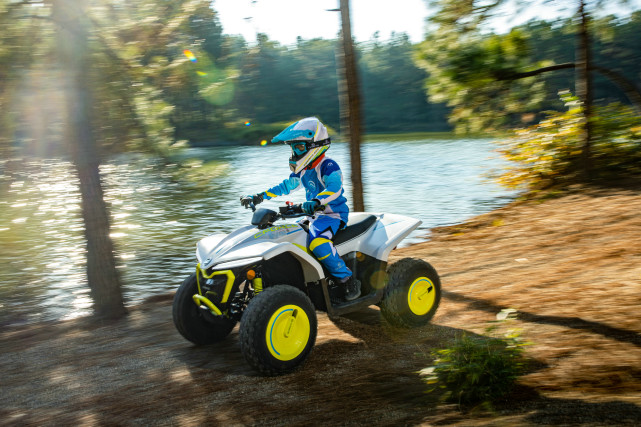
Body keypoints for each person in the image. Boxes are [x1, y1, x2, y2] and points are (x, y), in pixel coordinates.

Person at [240, 117, 361, 301]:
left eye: (299, 147)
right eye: (293, 148)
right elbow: (286, 186)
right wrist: (259, 196)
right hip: (312, 214)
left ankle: (347, 279)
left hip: (332, 215)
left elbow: (335, 188)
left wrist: (317, 201)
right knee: (287, 235)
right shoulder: (304, 169)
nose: (295, 152)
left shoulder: (328, 165)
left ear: (315, 145)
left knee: (317, 243)